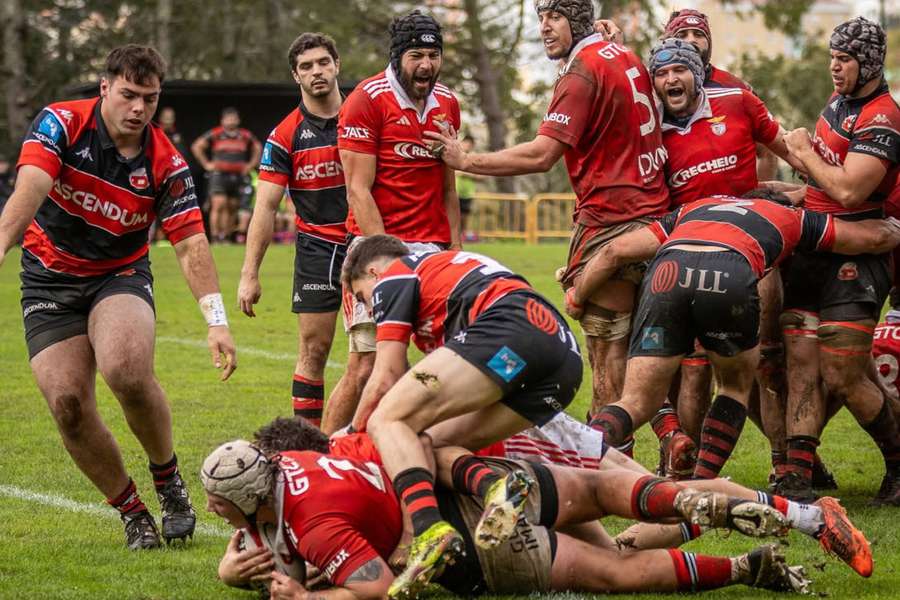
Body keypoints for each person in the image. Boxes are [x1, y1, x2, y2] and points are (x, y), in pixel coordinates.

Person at [0, 45, 237, 549]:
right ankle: (131, 511)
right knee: (66, 402)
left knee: (126, 370)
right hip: (48, 278)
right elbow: (32, 188)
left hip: (119, 274)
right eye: (128, 95)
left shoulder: (166, 162)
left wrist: (216, 321)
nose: (138, 109)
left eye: (149, 99)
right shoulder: (61, 123)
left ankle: (168, 479)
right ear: (104, 87)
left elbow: (192, 243)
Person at [426, 0, 670, 456]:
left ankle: (611, 463)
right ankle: (674, 442)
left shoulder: (581, 72)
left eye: (554, 16)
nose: (544, 27)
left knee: (607, 355)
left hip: (611, 223)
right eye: (540, 17)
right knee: (654, 348)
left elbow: (541, 155)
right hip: (656, 218)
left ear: (578, 19)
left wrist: (466, 160)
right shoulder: (624, 54)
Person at [202, 439, 817, 600]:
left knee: (613, 570)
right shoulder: (294, 463)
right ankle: (711, 505)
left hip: (474, 546)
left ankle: (742, 567)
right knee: (609, 489)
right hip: (486, 475)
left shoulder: (313, 526)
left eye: (218, 500)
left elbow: (372, 584)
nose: (213, 509)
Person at [568, 191, 900, 483]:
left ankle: (576, 464)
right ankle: (700, 486)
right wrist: (893, 226)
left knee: (636, 401)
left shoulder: (696, 207)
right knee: (733, 388)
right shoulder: (789, 216)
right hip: (730, 270)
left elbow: (615, 250)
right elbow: (869, 239)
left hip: (667, 273)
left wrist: (578, 297)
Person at [344, 235, 584, 594]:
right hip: (563, 359)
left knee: (386, 420)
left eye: (362, 297)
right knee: (428, 440)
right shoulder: (443, 273)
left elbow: (385, 376)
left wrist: (351, 432)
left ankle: (428, 530)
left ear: (373, 273)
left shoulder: (393, 275)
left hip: (511, 328)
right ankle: (494, 486)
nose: (370, 308)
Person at [646, 38, 800, 479]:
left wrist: (800, 190)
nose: (671, 79)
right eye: (662, 72)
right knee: (692, 369)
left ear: (698, 71)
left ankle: (786, 466)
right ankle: (681, 471)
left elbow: (785, 149)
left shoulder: (737, 101)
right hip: (688, 253)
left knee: (768, 363)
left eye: (680, 70)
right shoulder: (651, 127)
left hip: (749, 250)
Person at [779, 16, 900, 503]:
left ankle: (898, 463)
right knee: (801, 364)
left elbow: (850, 189)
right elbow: (826, 183)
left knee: (844, 374)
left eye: (844, 59)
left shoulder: (883, 116)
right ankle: (796, 476)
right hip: (815, 249)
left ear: (869, 63)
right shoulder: (839, 104)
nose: (834, 66)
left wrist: (802, 152)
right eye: (832, 56)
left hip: (857, 253)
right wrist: (792, 190)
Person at [330, 9, 462, 434]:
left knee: (446, 365)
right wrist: (392, 260)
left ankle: (409, 450)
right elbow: (358, 190)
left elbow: (448, 188)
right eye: (417, 55)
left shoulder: (448, 103)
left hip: (435, 252)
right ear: (398, 55)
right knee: (366, 365)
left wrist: (456, 248)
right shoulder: (367, 100)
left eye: (433, 55)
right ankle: (318, 457)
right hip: (377, 251)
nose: (426, 65)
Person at [238, 32, 347, 430]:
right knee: (314, 349)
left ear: (337, 64)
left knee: (374, 354)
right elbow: (265, 207)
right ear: (295, 76)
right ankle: (308, 445)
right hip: (318, 249)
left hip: (368, 247)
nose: (316, 72)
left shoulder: (363, 117)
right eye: (306, 66)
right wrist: (250, 273)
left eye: (322, 62)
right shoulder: (284, 135)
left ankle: (354, 443)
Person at [191, 107, 261, 243]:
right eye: (228, 118)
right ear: (222, 121)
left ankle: (227, 237)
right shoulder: (216, 134)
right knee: (219, 205)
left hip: (238, 175)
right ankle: (216, 237)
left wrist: (251, 165)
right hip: (219, 175)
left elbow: (257, 147)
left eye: (233, 118)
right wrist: (207, 164)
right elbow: (197, 146)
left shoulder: (244, 135)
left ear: (238, 120)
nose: (231, 121)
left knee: (233, 206)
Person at [455, 136, 483, 242]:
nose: (467, 146)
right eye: (465, 143)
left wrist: (468, 175)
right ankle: (454, 235)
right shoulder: (455, 156)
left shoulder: (474, 158)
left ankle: (463, 235)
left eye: (469, 144)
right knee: (455, 215)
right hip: (455, 192)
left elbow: (481, 176)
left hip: (468, 193)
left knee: (465, 216)